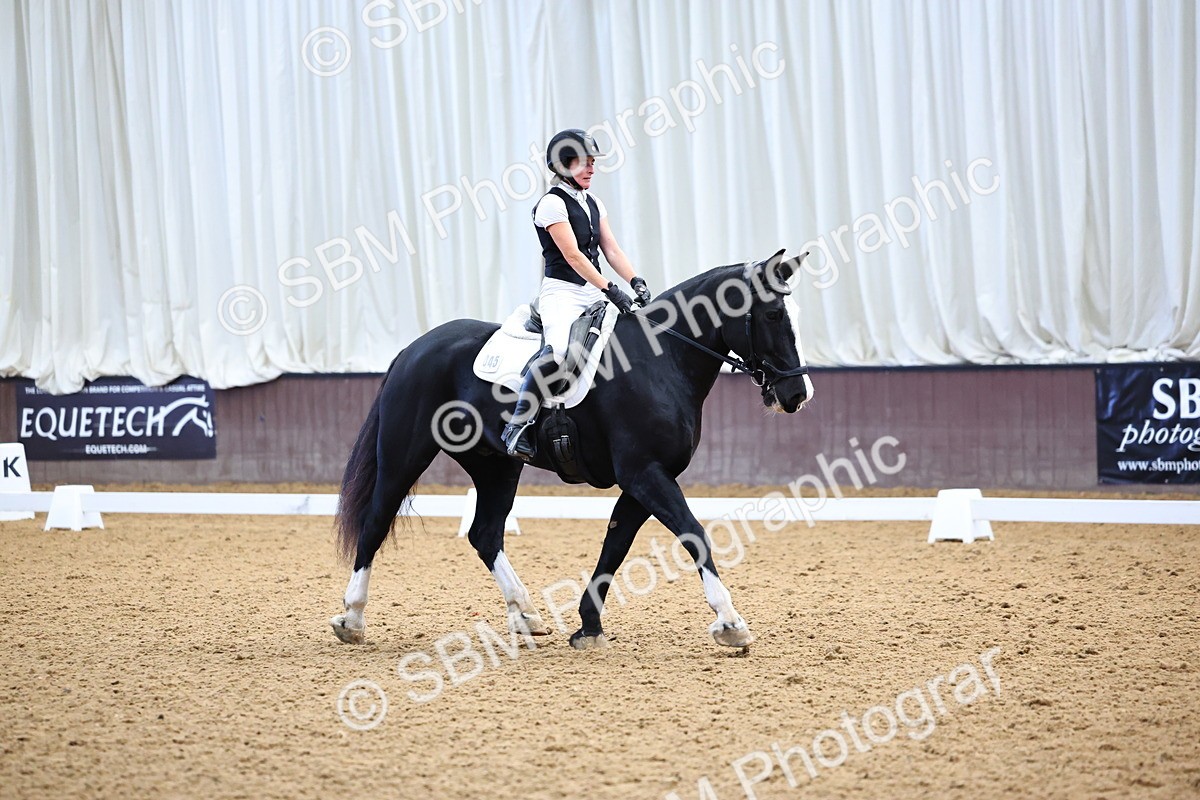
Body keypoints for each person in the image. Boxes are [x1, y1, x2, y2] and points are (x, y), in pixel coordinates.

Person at [500, 128, 653, 459]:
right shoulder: (552, 204)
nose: (591, 169)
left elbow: (610, 249)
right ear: (563, 164)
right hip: (563, 293)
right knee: (556, 354)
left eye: (592, 163)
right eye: (584, 163)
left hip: (593, 291)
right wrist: (610, 288)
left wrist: (635, 280)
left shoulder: (594, 202)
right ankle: (517, 425)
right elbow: (573, 256)